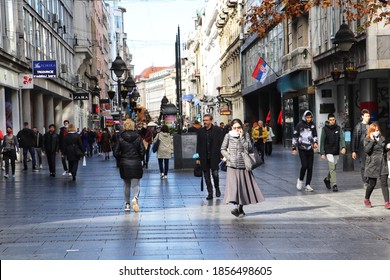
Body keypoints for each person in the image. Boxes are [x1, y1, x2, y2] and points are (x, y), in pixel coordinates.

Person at [221, 119, 265, 217]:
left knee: (242, 187)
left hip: (244, 165)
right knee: (234, 187)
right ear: (231, 127)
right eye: (235, 127)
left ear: (241, 127)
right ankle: (238, 208)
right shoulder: (228, 136)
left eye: (239, 127)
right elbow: (222, 149)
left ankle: (240, 208)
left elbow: (249, 148)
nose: (237, 129)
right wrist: (229, 157)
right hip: (232, 165)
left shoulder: (246, 135)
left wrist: (242, 138)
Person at [114, 119, 145, 212]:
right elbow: (142, 151)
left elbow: (115, 151)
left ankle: (127, 204)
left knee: (126, 184)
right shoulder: (138, 137)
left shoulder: (121, 137)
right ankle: (135, 198)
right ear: (132, 126)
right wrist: (140, 158)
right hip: (136, 162)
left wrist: (120, 158)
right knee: (136, 184)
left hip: (125, 163)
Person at [196, 114, 224, 199]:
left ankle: (217, 188)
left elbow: (221, 143)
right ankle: (210, 193)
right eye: (204, 120)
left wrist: (221, 155)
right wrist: (197, 158)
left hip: (214, 156)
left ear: (211, 121)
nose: (205, 122)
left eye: (206, 120)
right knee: (206, 176)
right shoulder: (200, 131)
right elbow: (198, 145)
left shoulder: (217, 130)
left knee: (215, 174)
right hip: (204, 157)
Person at [363, 123, 390, 209]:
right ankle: (366, 199)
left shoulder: (382, 139)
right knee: (372, 184)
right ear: (371, 131)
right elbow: (367, 150)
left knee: (384, 183)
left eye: (377, 130)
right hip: (372, 164)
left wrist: (387, 148)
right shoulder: (367, 139)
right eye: (374, 130)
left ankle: (387, 202)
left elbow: (384, 150)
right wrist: (372, 140)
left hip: (382, 163)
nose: (376, 132)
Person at [292, 110, 318, 192]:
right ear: (304, 117)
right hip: (302, 148)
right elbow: (295, 136)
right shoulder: (299, 125)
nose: (309, 119)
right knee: (304, 165)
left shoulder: (312, 125)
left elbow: (315, 135)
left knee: (310, 167)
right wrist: (294, 148)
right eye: (307, 117)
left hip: (310, 148)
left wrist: (315, 143)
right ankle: (300, 179)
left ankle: (308, 184)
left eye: (310, 117)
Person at [320, 113, 346, 192]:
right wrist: (322, 152)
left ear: (335, 120)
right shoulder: (325, 129)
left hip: (336, 150)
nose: (332, 121)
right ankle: (334, 184)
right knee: (332, 167)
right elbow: (322, 140)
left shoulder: (338, 128)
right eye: (330, 120)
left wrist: (343, 147)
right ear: (328, 120)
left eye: (333, 120)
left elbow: (341, 138)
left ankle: (327, 179)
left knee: (333, 168)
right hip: (328, 151)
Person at [352, 109, 371, 188]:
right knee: (363, 166)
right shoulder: (358, 126)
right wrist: (354, 151)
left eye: (368, 116)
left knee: (370, 165)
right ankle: (365, 181)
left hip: (370, 149)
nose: (368, 117)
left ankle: (369, 180)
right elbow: (355, 139)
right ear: (362, 117)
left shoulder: (371, 126)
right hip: (362, 149)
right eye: (366, 116)